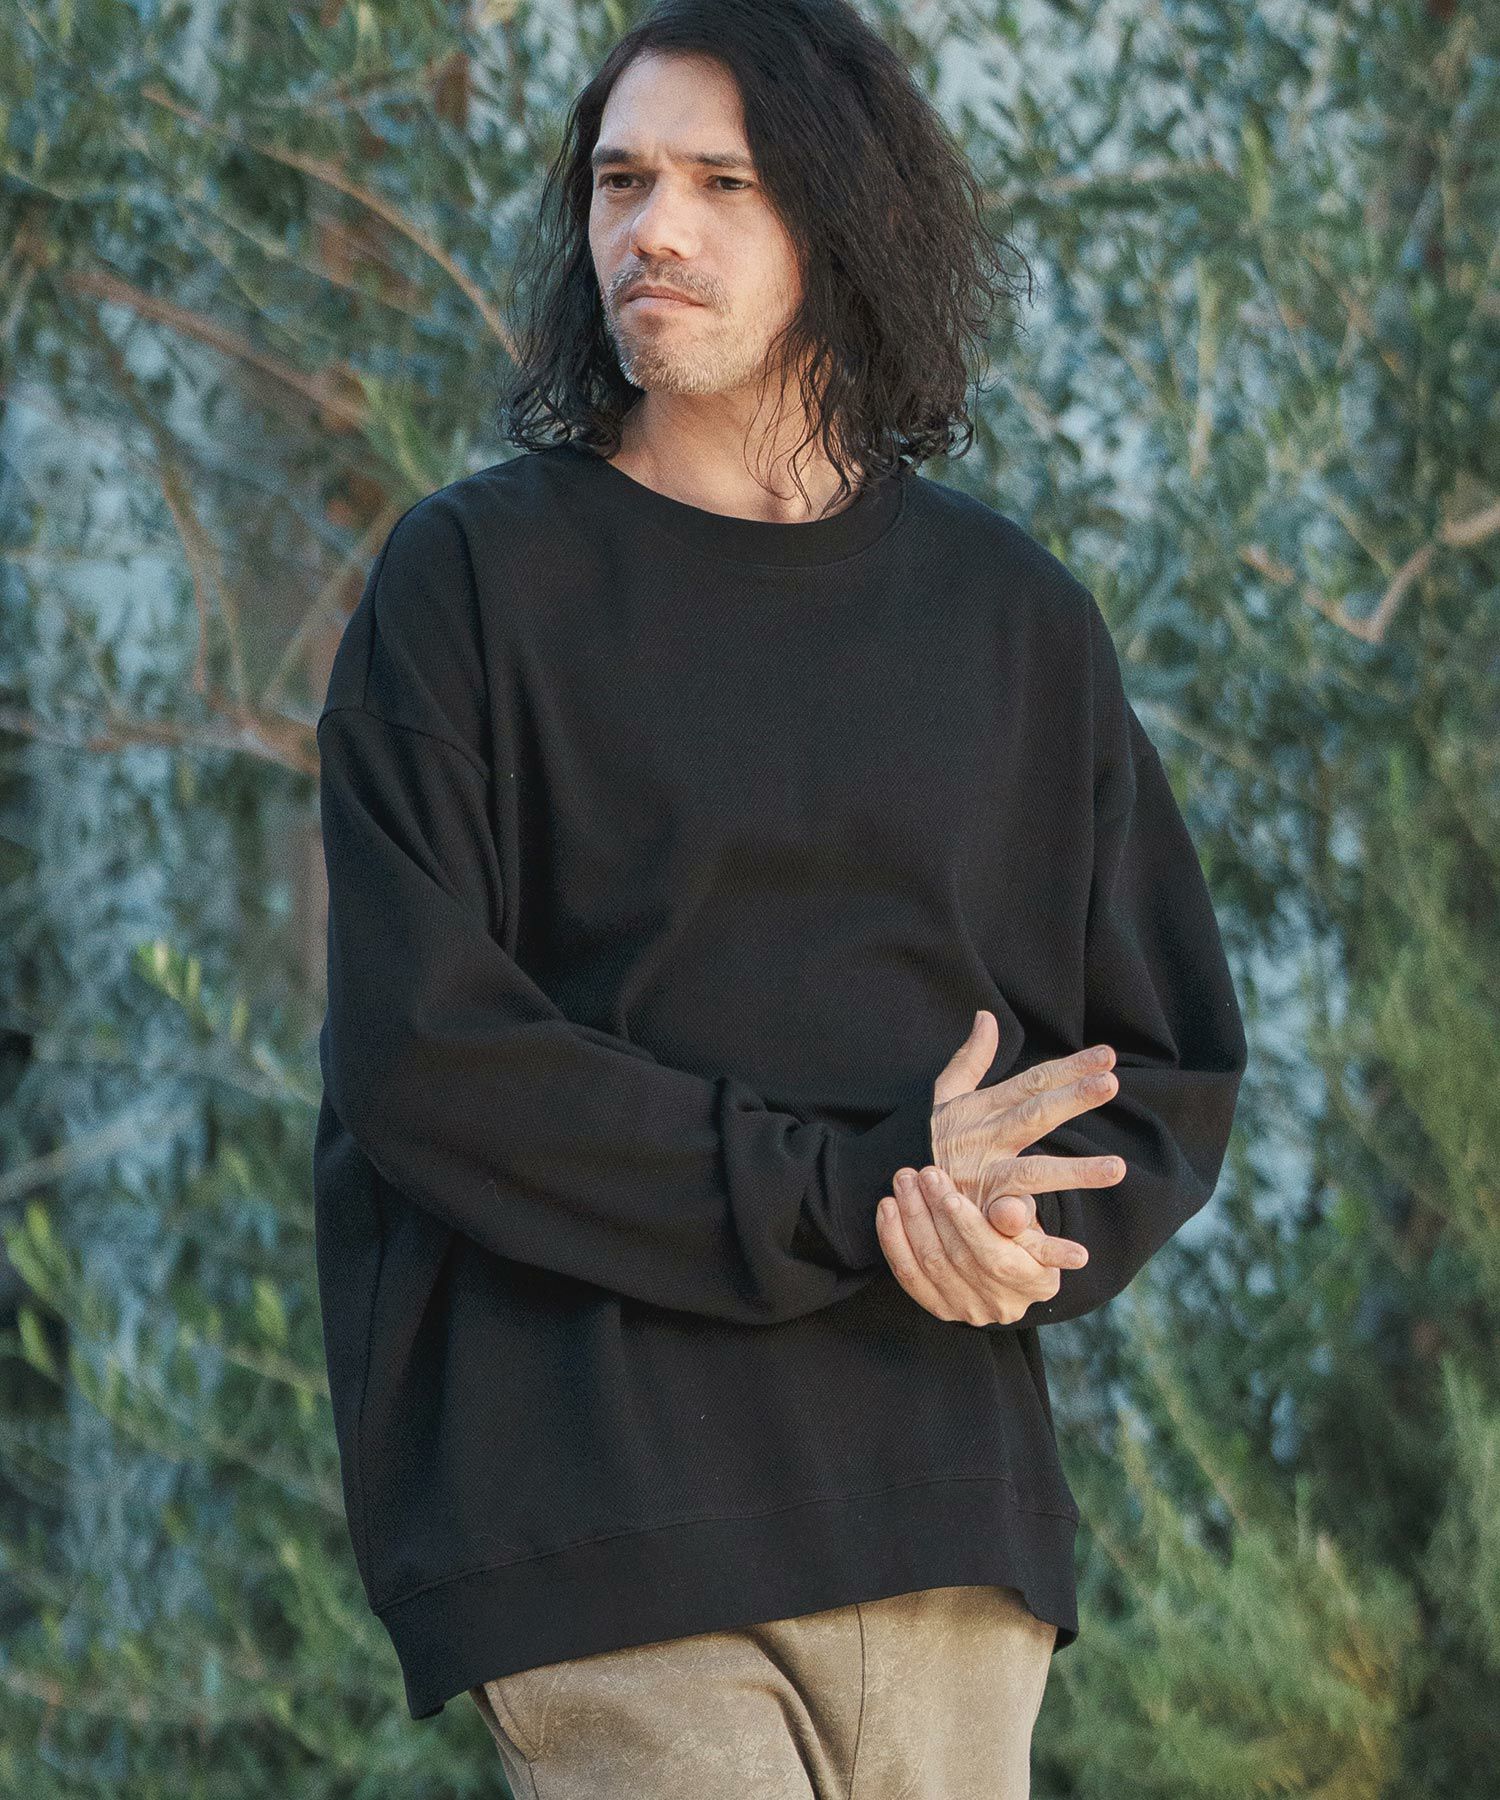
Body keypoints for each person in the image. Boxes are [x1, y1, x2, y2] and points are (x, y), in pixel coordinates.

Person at [311, 1, 1248, 1794]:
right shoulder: (474, 585)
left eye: (719, 183)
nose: (650, 229)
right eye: (620, 181)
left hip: (946, 1514)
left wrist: (1012, 1229)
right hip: (600, 1506)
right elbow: (428, 1057)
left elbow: (1159, 1070)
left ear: (844, 224)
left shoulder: (1010, 623)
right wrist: (857, 1193)